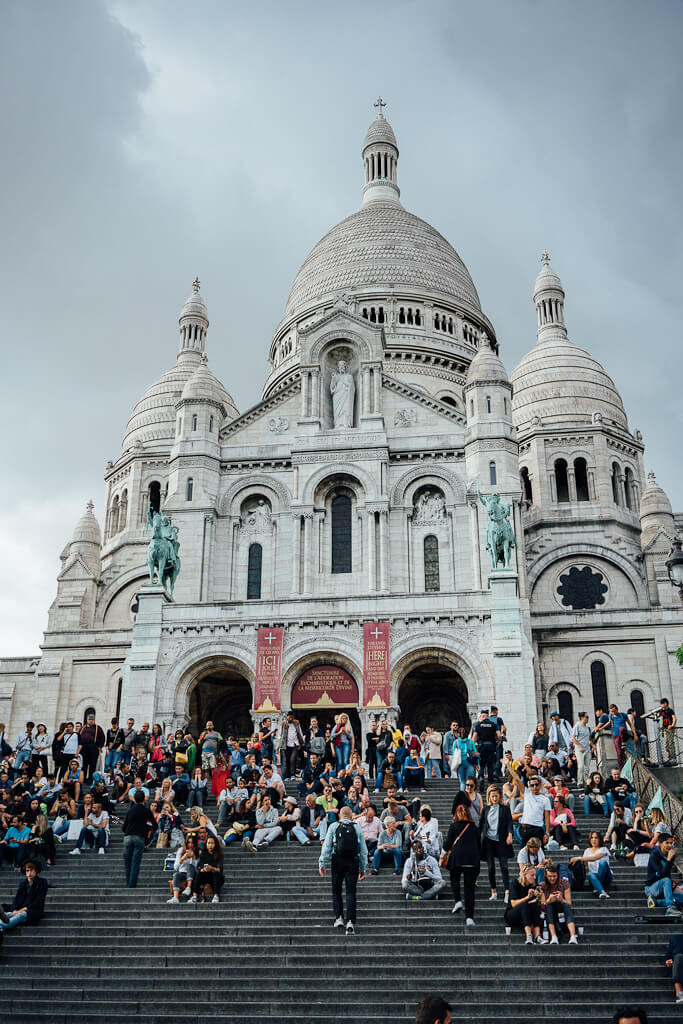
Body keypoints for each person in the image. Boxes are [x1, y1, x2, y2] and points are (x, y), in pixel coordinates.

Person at [318, 805, 368, 935]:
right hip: (353, 861)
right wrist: (363, 868)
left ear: (340, 815)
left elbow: (327, 846)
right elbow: (363, 850)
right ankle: (350, 921)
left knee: (336, 890)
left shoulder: (334, 826)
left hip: (337, 859)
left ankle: (339, 917)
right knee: (351, 892)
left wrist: (322, 862)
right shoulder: (356, 827)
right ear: (351, 816)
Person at [440, 802, 480, 926]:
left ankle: (457, 900)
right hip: (472, 861)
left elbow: (447, 844)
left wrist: (442, 856)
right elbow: (479, 845)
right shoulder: (474, 828)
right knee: (469, 890)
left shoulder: (454, 826)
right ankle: (469, 917)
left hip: (457, 859)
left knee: (454, 879)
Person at [480, 784, 513, 902]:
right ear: (489, 796)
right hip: (488, 842)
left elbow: (510, 822)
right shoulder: (485, 809)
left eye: (496, 796)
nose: (494, 798)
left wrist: (510, 834)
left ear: (499, 796)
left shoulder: (504, 808)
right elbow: (480, 826)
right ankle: (493, 892)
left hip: (501, 841)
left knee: (504, 866)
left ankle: (507, 892)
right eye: (492, 796)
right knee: (490, 868)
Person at [0, 860, 48, 931]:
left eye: (31, 870)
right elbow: (16, 899)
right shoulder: (23, 883)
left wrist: (21, 910)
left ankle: (1, 925)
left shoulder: (42, 882)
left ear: (36, 871)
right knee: (8, 914)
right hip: (20, 909)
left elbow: (38, 901)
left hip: (32, 911)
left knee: (20, 915)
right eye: (27, 870)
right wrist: (14, 910)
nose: (29, 873)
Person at [121, 789, 155, 888]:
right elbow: (155, 825)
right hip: (139, 837)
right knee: (135, 862)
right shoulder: (146, 810)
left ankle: (128, 883)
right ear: (144, 799)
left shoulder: (130, 811)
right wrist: (147, 828)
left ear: (134, 799)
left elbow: (124, 828)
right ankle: (131, 885)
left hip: (127, 837)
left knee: (127, 862)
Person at [540, 861, 578, 944]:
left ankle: (573, 936)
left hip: (562, 910)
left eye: (554, 876)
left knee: (566, 905)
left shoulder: (564, 883)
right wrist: (549, 900)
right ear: (546, 876)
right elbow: (542, 904)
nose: (552, 878)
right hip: (550, 912)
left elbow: (569, 903)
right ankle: (554, 936)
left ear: (558, 876)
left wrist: (561, 899)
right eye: (550, 876)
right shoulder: (542, 886)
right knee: (548, 905)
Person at [504, 864, 545, 944]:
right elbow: (513, 904)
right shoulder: (515, 883)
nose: (534, 878)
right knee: (525, 904)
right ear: (525, 875)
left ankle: (537, 936)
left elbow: (540, 903)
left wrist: (539, 897)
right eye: (532, 875)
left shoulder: (533, 885)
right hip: (511, 915)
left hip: (526, 915)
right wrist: (527, 897)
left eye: (535, 875)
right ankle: (529, 936)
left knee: (533, 905)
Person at [645, 833, 683, 916]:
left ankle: (656, 902)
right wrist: (668, 860)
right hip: (651, 888)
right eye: (667, 843)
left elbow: (667, 874)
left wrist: (672, 882)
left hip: (663, 889)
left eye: (671, 843)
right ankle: (670, 907)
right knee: (666, 880)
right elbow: (661, 874)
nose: (670, 845)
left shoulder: (670, 855)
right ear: (660, 843)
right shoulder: (654, 855)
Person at [571, 829, 613, 899]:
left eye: (596, 838)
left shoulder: (604, 849)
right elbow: (585, 863)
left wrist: (578, 858)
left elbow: (594, 858)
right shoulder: (587, 851)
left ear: (600, 839)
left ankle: (597, 886)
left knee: (603, 862)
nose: (594, 840)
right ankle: (602, 892)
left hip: (606, 877)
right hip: (593, 878)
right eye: (592, 838)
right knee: (591, 874)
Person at [191, 834, 224, 903]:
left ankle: (216, 895)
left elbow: (220, 869)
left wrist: (212, 868)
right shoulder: (203, 854)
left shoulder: (219, 854)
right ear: (206, 844)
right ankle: (194, 896)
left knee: (215, 873)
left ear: (216, 844)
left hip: (216, 877)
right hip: (206, 876)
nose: (210, 845)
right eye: (209, 843)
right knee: (199, 873)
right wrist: (203, 869)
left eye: (212, 843)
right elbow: (199, 866)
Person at [167, 834, 199, 903]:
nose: (190, 845)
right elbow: (175, 867)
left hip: (193, 874)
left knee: (190, 866)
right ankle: (175, 897)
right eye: (189, 843)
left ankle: (189, 888)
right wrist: (182, 858)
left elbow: (198, 867)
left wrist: (193, 858)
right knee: (176, 874)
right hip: (182, 873)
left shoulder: (198, 852)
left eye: (192, 843)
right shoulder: (181, 850)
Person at [519, 775, 551, 846]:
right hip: (525, 828)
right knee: (525, 853)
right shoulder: (527, 794)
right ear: (529, 787)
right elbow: (517, 780)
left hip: (537, 828)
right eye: (532, 785)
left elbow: (547, 817)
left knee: (540, 853)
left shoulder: (545, 799)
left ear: (540, 785)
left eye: (536, 785)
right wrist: (508, 765)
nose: (534, 787)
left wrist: (547, 833)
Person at [472, 710, 499, 785]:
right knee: (490, 764)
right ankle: (490, 780)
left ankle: (481, 777)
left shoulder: (478, 725)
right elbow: (499, 735)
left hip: (482, 746)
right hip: (491, 746)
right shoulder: (493, 724)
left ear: (482, 716)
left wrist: (472, 747)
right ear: (488, 716)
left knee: (482, 763)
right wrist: (498, 743)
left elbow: (474, 737)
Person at [78, 713, 105, 782]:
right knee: (84, 764)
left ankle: (90, 779)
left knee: (92, 765)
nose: (91, 721)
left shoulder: (97, 728)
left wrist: (100, 746)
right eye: (89, 719)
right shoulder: (83, 728)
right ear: (87, 720)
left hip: (93, 747)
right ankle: (83, 779)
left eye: (92, 719)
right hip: (84, 748)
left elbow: (102, 737)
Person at [278, 712, 305, 779]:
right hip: (285, 745)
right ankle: (287, 776)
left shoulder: (296, 723)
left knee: (293, 760)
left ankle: (293, 774)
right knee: (286, 761)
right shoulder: (284, 724)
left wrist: (301, 743)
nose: (290, 719)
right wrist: (279, 746)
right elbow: (279, 734)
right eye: (289, 717)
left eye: (292, 717)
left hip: (295, 744)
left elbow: (300, 732)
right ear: (287, 717)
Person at [571, 712, 592, 787]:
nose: (588, 718)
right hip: (580, 749)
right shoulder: (577, 725)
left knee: (587, 767)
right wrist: (580, 747)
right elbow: (573, 738)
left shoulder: (587, 728)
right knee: (581, 766)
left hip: (587, 749)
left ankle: (586, 782)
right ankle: (579, 782)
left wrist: (592, 747)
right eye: (586, 717)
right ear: (582, 718)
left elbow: (588, 739)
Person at [665, 932, 683, 1004]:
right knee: (678, 957)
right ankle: (680, 994)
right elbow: (668, 954)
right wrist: (668, 960)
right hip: (679, 964)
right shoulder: (676, 938)